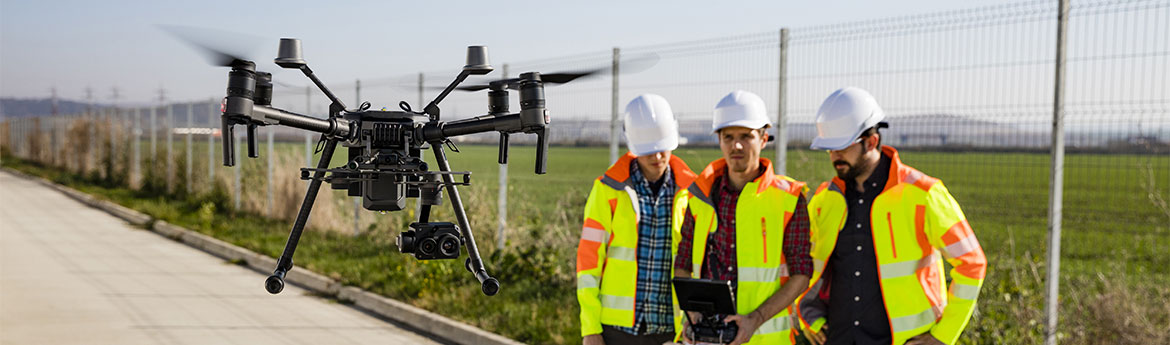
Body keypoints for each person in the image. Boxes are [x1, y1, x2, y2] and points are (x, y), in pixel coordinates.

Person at [797, 87, 987, 345]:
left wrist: (943, 336)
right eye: (830, 149)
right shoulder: (824, 200)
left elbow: (972, 262)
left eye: (842, 147)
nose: (835, 157)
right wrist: (809, 314)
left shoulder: (924, 194)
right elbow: (800, 262)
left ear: (872, 141)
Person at [673, 90, 812, 345]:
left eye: (746, 136)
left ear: (764, 138)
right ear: (719, 140)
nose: (736, 146)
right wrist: (692, 311)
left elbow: (801, 274)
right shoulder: (699, 196)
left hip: (766, 339)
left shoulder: (790, 199)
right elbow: (682, 264)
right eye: (728, 137)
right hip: (707, 337)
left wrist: (755, 319)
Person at [578, 94, 698, 345]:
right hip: (616, 331)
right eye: (649, 151)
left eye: (662, 148)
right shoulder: (607, 190)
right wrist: (590, 328)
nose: (657, 157)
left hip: (673, 328)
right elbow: (588, 264)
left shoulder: (694, 194)